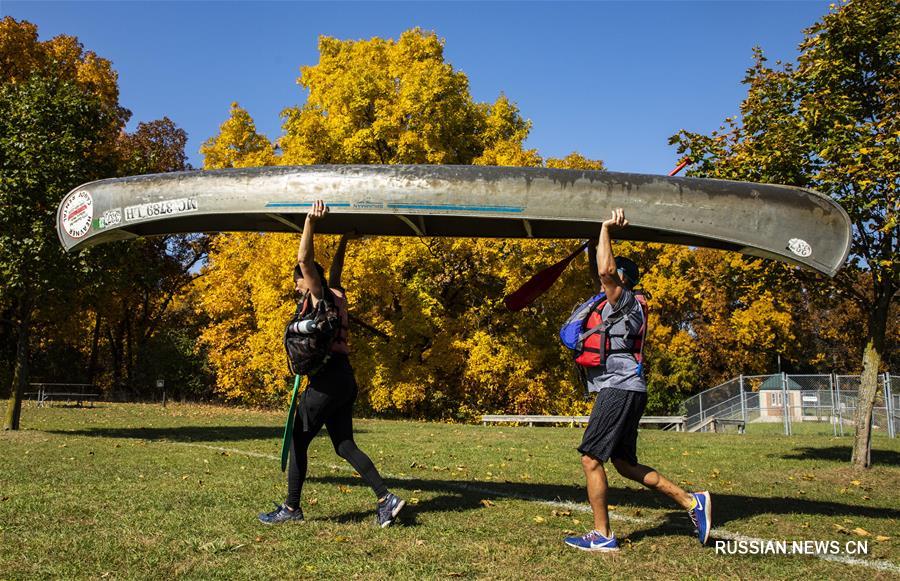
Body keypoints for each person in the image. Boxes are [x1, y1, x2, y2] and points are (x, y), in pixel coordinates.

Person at [564, 208, 711, 551]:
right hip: (627, 387)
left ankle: (602, 536)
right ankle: (692, 502)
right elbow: (599, 264)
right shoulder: (621, 302)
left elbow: (604, 268)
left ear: (621, 279)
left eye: (610, 278)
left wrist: (605, 228)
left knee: (590, 458)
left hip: (621, 387)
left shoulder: (625, 300)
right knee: (625, 464)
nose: (601, 282)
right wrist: (596, 236)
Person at [259, 200, 405, 527]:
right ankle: (386, 499)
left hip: (327, 381)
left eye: (299, 282)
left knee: (297, 438)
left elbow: (304, 259)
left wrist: (310, 222)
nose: (297, 287)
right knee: (344, 444)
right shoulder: (336, 294)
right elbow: (334, 272)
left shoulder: (317, 294)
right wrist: (343, 241)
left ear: (308, 281)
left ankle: (292, 508)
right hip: (344, 379)